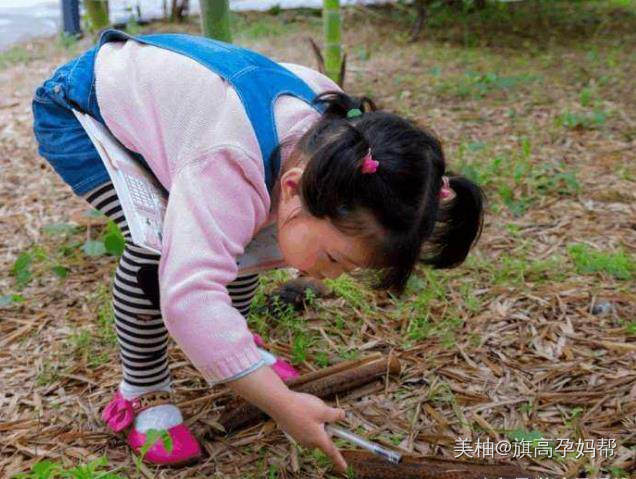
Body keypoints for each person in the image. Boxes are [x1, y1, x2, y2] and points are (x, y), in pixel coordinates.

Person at [31, 28, 484, 472]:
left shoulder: (338, 145)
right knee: (160, 252)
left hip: (190, 122)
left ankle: (235, 345)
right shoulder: (229, 163)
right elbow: (188, 297)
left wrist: (243, 365)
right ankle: (143, 389)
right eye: (334, 260)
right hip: (84, 110)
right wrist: (281, 404)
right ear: (292, 186)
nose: (331, 277)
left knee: (238, 234)